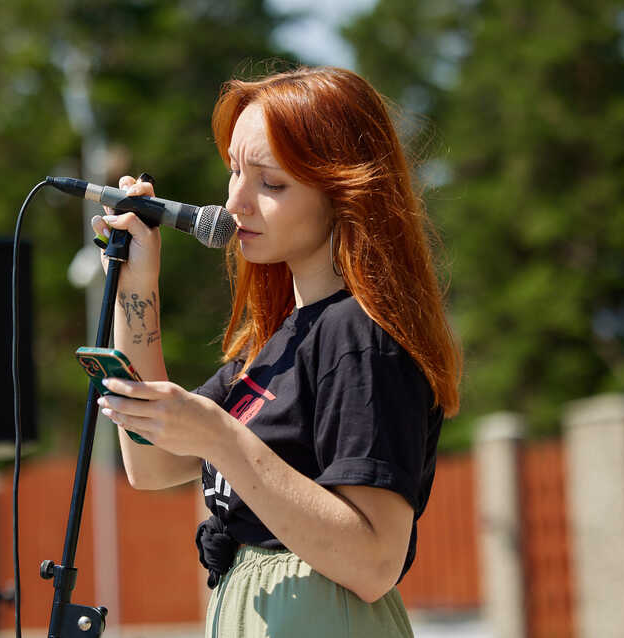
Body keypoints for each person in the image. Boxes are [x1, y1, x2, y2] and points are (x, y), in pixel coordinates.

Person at [91, 65, 462, 637]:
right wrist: (136, 288)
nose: (235, 202)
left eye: (272, 183)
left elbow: (374, 562)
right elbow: (152, 463)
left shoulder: (359, 338)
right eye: (235, 172)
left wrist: (220, 435)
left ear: (342, 192)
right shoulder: (277, 341)